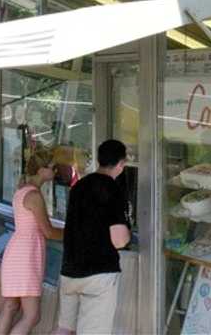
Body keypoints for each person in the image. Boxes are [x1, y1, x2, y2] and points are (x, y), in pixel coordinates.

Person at [56, 139, 131, 335]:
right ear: (121, 163)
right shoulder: (113, 189)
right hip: (98, 273)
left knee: (64, 330)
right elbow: (119, 239)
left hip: (69, 269)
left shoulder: (79, 186)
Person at [0, 146, 63, 335]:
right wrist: (73, 233)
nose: (55, 170)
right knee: (32, 316)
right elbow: (48, 232)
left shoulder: (22, 190)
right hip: (27, 255)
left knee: (10, 307)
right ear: (42, 170)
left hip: (16, 251)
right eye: (52, 166)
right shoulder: (34, 195)